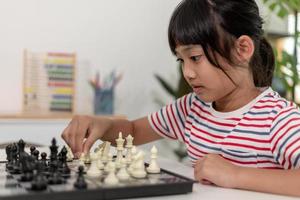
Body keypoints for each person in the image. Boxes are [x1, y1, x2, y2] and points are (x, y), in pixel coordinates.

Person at [62, 0, 300, 197]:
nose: (187, 72)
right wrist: (104, 124)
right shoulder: (190, 108)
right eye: (181, 60)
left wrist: (235, 174)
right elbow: (134, 130)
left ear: (242, 49)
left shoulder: (278, 119)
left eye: (195, 57)